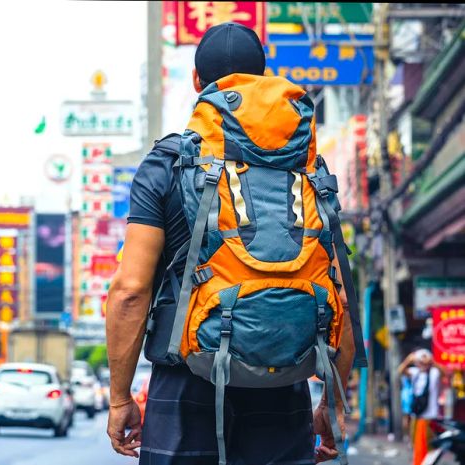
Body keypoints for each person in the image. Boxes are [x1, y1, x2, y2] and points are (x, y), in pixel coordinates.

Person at [105, 22, 356, 465]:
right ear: (261, 78)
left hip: (186, 383)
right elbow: (339, 287)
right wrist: (331, 404)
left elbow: (130, 291)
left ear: (198, 84)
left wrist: (120, 397)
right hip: (283, 380)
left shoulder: (167, 163)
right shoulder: (307, 168)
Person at [398, 349, 442, 465]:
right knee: (415, 445)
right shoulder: (415, 372)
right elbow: (400, 371)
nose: (422, 362)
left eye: (424, 359)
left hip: (430, 417)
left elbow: (446, 372)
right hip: (416, 416)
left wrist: (432, 362)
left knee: (429, 445)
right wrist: (409, 359)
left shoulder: (434, 373)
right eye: (420, 360)